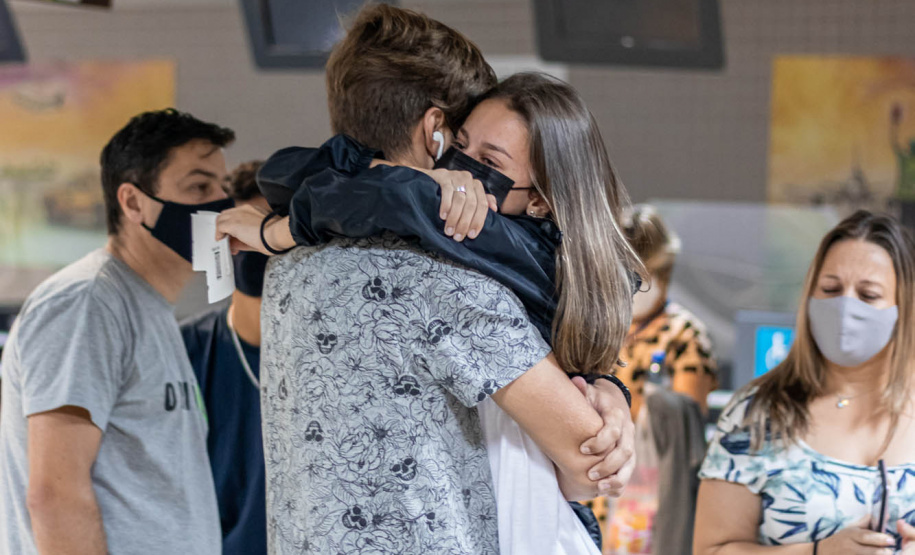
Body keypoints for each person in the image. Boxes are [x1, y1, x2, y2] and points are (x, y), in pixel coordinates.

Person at [217, 6, 636, 554]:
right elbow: (587, 462)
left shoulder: (290, 268)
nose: (466, 168)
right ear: (436, 130)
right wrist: (609, 400)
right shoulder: (449, 282)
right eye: (462, 140)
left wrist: (278, 232)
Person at [0, 109, 231, 554]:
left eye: (223, 188)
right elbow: (55, 496)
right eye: (199, 187)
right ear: (133, 202)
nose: (222, 205)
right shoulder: (87, 303)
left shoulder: (151, 310)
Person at [694, 210, 915, 554]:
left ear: (905, 308)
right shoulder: (758, 413)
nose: (846, 307)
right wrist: (816, 552)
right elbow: (712, 550)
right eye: (831, 289)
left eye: (868, 295)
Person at [180, 161, 270, 555]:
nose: (255, 246)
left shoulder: (337, 358)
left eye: (269, 231)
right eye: (242, 233)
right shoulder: (183, 350)